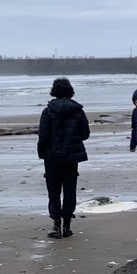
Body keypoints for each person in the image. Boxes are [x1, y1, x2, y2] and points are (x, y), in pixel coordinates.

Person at [37, 77, 90, 239]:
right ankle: (67, 225)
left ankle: (56, 225)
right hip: (71, 157)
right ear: (70, 91)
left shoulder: (47, 111)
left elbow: (43, 136)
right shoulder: (78, 110)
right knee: (69, 189)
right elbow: (85, 134)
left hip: (52, 157)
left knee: (53, 191)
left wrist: (41, 153)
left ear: (54, 91)